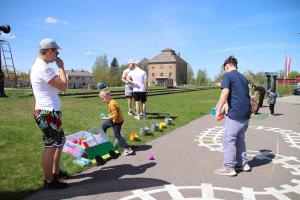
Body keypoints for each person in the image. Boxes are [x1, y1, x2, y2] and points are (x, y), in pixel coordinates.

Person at [31, 38, 68, 189]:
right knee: (51, 146)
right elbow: (64, 86)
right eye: (56, 52)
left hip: (50, 112)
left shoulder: (39, 66)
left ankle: (55, 172)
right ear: (50, 50)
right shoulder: (44, 68)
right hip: (47, 112)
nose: (57, 56)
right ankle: (49, 181)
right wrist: (61, 68)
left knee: (61, 141)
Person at [215, 56, 251, 176]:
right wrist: (225, 106)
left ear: (227, 66)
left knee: (228, 139)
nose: (224, 71)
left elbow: (225, 93)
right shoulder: (243, 78)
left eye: (224, 69)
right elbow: (239, 96)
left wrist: (218, 110)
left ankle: (229, 167)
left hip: (236, 113)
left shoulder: (228, 76)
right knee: (240, 138)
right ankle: (242, 163)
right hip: (246, 114)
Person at [99, 88, 134, 155]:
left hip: (117, 121)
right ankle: (102, 140)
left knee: (117, 135)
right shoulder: (111, 101)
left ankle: (127, 148)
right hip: (115, 120)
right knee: (103, 126)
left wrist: (107, 117)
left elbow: (115, 114)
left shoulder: (111, 104)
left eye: (103, 99)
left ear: (107, 97)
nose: (102, 100)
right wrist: (108, 115)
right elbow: (114, 113)